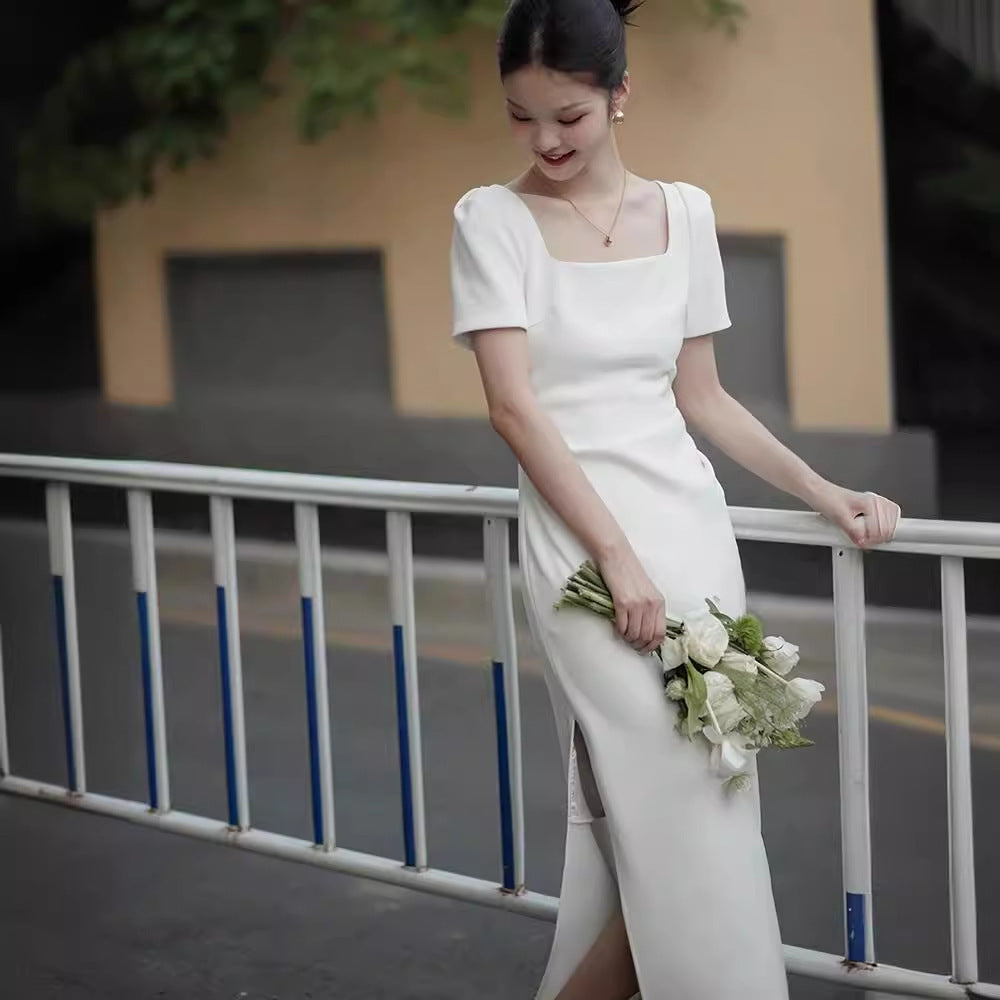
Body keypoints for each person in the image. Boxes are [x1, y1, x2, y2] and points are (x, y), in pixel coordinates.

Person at [448, 1, 902, 997]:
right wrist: (614, 555)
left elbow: (704, 400)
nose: (545, 139)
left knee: (702, 805)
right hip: (583, 554)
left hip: (688, 539)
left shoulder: (685, 212)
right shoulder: (491, 221)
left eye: (567, 114)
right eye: (522, 117)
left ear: (619, 94)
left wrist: (827, 491)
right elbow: (515, 411)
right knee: (669, 809)